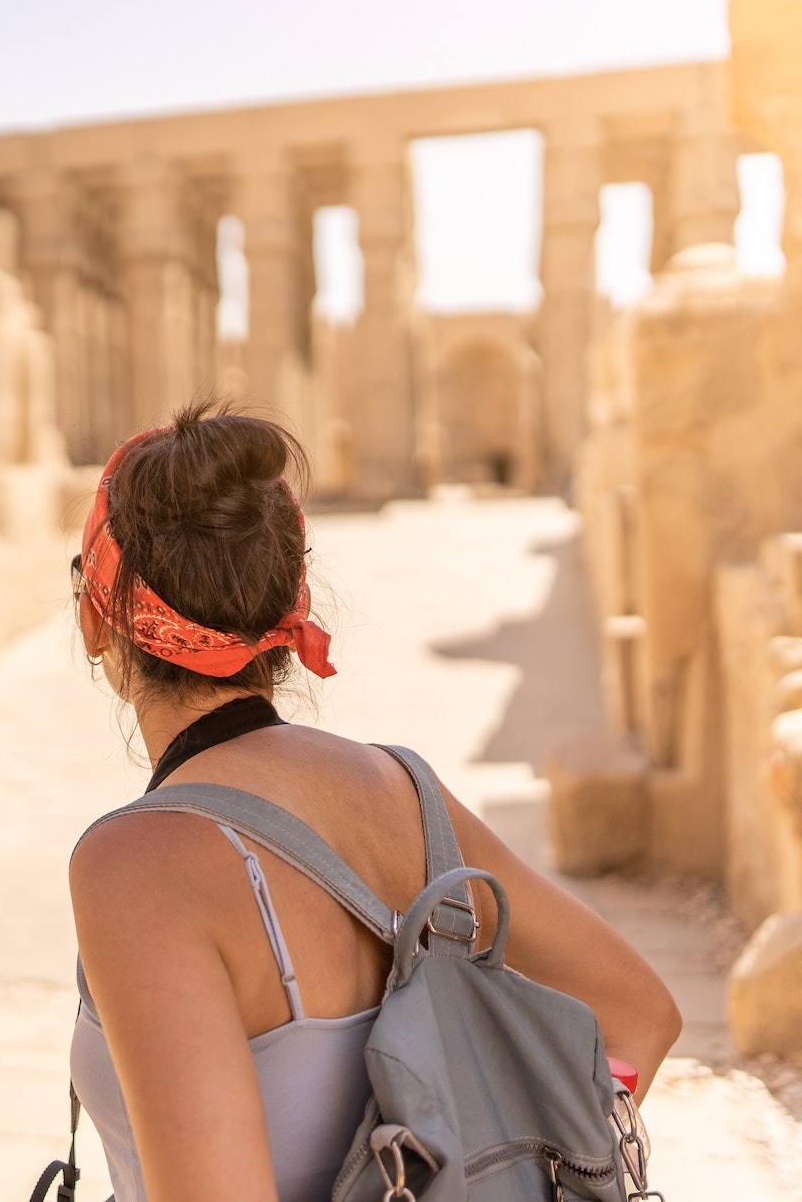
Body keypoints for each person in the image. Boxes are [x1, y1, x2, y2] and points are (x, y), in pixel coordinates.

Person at [66, 403, 681, 1202]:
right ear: (292, 608)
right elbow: (637, 1018)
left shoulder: (134, 866)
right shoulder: (405, 792)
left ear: (95, 617)